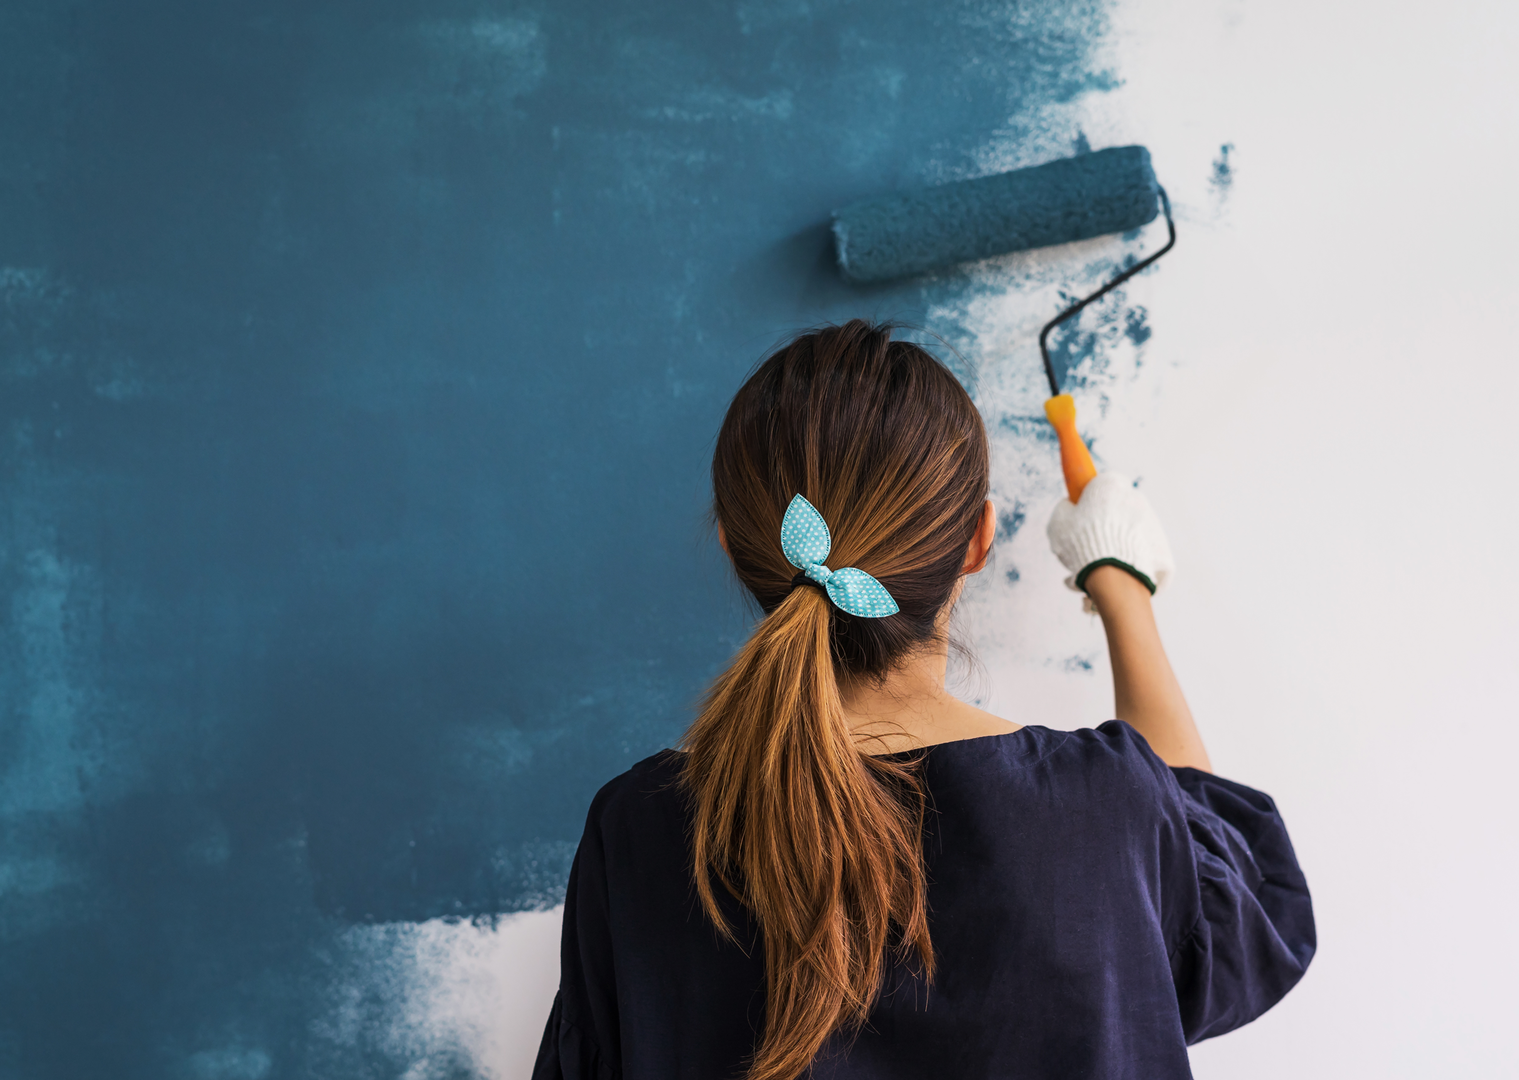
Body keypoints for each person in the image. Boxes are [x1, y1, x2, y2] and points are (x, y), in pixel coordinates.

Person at [531, 320, 1314, 1080]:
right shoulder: (1099, 804)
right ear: (979, 540)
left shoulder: (638, 830)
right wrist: (1120, 582)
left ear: (739, 550)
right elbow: (1235, 914)